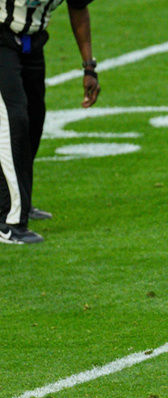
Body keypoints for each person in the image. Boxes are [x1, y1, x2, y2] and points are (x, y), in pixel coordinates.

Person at [0, 0, 100, 244]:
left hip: (32, 44)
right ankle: (9, 222)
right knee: (14, 121)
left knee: (34, 120)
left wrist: (89, 67)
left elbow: (78, 8)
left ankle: (20, 199)